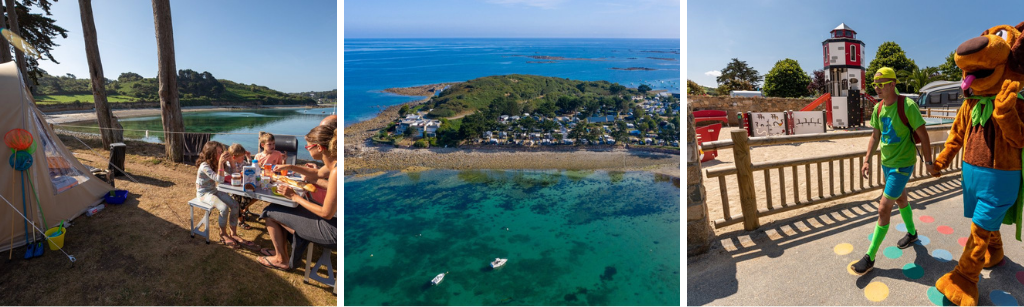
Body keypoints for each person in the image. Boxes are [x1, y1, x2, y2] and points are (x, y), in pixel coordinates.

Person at [850, 67, 933, 275]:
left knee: (883, 207)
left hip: (902, 165)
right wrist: (867, 159)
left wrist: (929, 163)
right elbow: (875, 136)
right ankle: (912, 234)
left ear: (893, 84)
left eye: (881, 84)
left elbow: (923, 135)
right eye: (875, 84)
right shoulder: (878, 108)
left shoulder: (907, 105)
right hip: (887, 164)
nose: (877, 88)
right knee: (902, 201)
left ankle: (869, 257)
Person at [257, 124, 337, 270]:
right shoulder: (333, 163)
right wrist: (289, 167)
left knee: (269, 213)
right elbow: (317, 174)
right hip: (334, 221)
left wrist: (294, 196)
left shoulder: (336, 171)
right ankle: (290, 245)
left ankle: (283, 258)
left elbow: (326, 213)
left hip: (332, 230)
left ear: (319, 147)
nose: (307, 149)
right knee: (278, 207)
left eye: (308, 147)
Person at [194, 141, 257, 250]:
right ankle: (223, 234)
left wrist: (232, 162)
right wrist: (220, 164)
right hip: (204, 194)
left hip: (214, 190)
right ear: (211, 153)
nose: (222, 154)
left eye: (222, 151)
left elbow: (234, 173)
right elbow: (220, 179)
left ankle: (233, 234)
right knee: (223, 208)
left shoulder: (218, 162)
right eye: (219, 152)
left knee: (235, 205)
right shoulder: (205, 165)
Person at [220, 143, 257, 230]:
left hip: (241, 186)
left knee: (251, 196)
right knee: (238, 201)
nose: (243, 158)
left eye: (243, 156)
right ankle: (240, 220)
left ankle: (241, 211)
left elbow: (250, 168)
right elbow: (231, 175)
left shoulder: (243, 162)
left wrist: (249, 158)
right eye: (241, 157)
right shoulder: (229, 165)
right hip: (232, 188)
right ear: (234, 157)